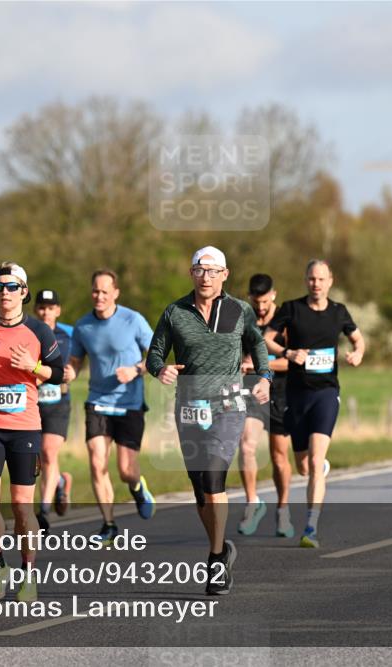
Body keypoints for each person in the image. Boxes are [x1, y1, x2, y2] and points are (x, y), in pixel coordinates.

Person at [147, 246, 271, 595]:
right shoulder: (175, 312)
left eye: (213, 271)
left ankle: (216, 560)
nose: (206, 277)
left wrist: (264, 377)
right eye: (200, 270)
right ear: (191, 274)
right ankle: (221, 547)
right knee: (201, 488)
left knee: (214, 475)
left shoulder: (239, 310)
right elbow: (155, 353)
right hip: (188, 408)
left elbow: (258, 345)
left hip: (228, 407)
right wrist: (162, 369)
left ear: (225, 275)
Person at [0, 263, 65, 602]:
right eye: (0, 287)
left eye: (12, 287)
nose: (5, 293)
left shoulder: (39, 330)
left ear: (24, 291)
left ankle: (28, 573)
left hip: (24, 426)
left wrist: (33, 367)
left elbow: (60, 373)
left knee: (22, 507)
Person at [264, 260, 364, 548]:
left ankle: (310, 528)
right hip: (296, 395)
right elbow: (266, 339)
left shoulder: (339, 312)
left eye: (321, 279)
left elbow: (359, 340)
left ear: (330, 281)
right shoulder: (291, 309)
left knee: (316, 462)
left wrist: (357, 353)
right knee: (304, 467)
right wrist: (287, 351)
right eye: (311, 279)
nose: (316, 284)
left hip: (326, 394)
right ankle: (316, 469)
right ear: (305, 280)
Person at [69, 269, 156, 545]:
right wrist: (64, 375)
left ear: (116, 293)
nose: (100, 296)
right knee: (97, 463)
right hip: (98, 402)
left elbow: (156, 356)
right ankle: (108, 524)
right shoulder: (83, 327)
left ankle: (138, 488)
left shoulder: (133, 320)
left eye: (105, 291)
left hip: (129, 404)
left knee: (126, 471)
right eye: (95, 290)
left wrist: (135, 370)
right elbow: (74, 362)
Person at [236, 274, 292, 537]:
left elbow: (292, 362)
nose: (261, 307)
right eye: (256, 301)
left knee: (279, 457)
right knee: (246, 444)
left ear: (274, 295)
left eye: (265, 301)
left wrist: (261, 365)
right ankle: (252, 503)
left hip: (280, 393)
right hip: (253, 392)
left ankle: (283, 510)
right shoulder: (244, 321)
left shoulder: (285, 321)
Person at [33, 289, 75, 532]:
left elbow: (77, 361)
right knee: (38, 459)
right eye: (41, 307)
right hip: (33, 402)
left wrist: (73, 372)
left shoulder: (69, 334)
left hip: (58, 403)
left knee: (49, 453)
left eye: (50, 308)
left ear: (58, 310)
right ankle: (60, 481)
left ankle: (44, 512)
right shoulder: (28, 332)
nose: (45, 312)